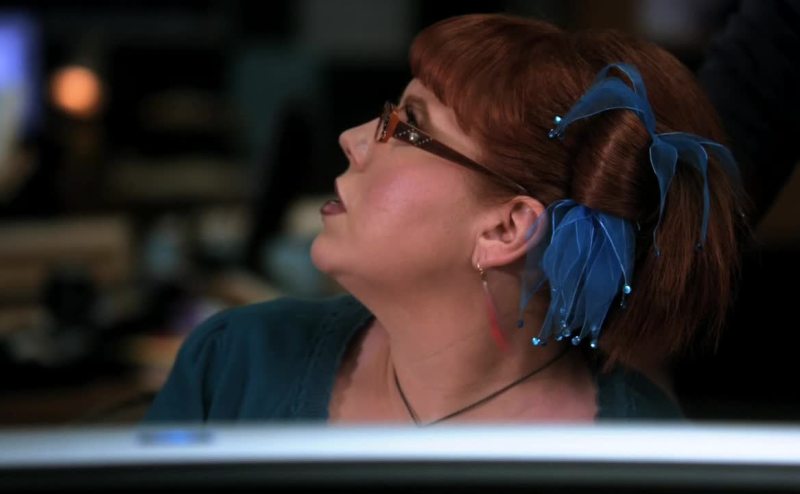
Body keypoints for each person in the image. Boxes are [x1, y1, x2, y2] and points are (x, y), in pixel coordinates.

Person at [143, 13, 748, 424]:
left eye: (406, 126)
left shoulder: (633, 455)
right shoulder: (233, 366)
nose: (352, 138)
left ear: (506, 229)